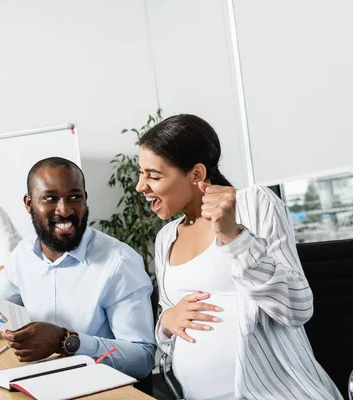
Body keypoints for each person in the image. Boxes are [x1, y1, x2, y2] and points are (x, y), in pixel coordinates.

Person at [136, 114, 341, 399]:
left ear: (196, 174)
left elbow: (297, 308)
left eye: (153, 176)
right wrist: (166, 323)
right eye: (140, 173)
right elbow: (170, 322)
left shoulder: (253, 204)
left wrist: (235, 236)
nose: (140, 186)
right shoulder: (166, 237)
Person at [0, 157, 156, 379]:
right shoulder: (23, 255)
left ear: (85, 199)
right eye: (50, 198)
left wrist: (66, 341)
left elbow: (142, 358)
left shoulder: (119, 262)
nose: (64, 210)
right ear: (28, 203)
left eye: (74, 197)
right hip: (39, 380)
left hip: (99, 388)